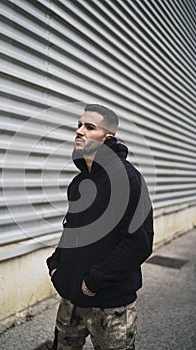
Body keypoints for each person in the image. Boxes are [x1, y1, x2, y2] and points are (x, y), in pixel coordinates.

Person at [46, 104, 154, 350]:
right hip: (71, 301)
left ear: (108, 138)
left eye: (89, 127)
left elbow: (139, 242)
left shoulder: (127, 179)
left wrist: (92, 284)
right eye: (79, 125)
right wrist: (55, 265)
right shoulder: (79, 182)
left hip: (110, 306)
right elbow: (71, 231)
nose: (79, 131)